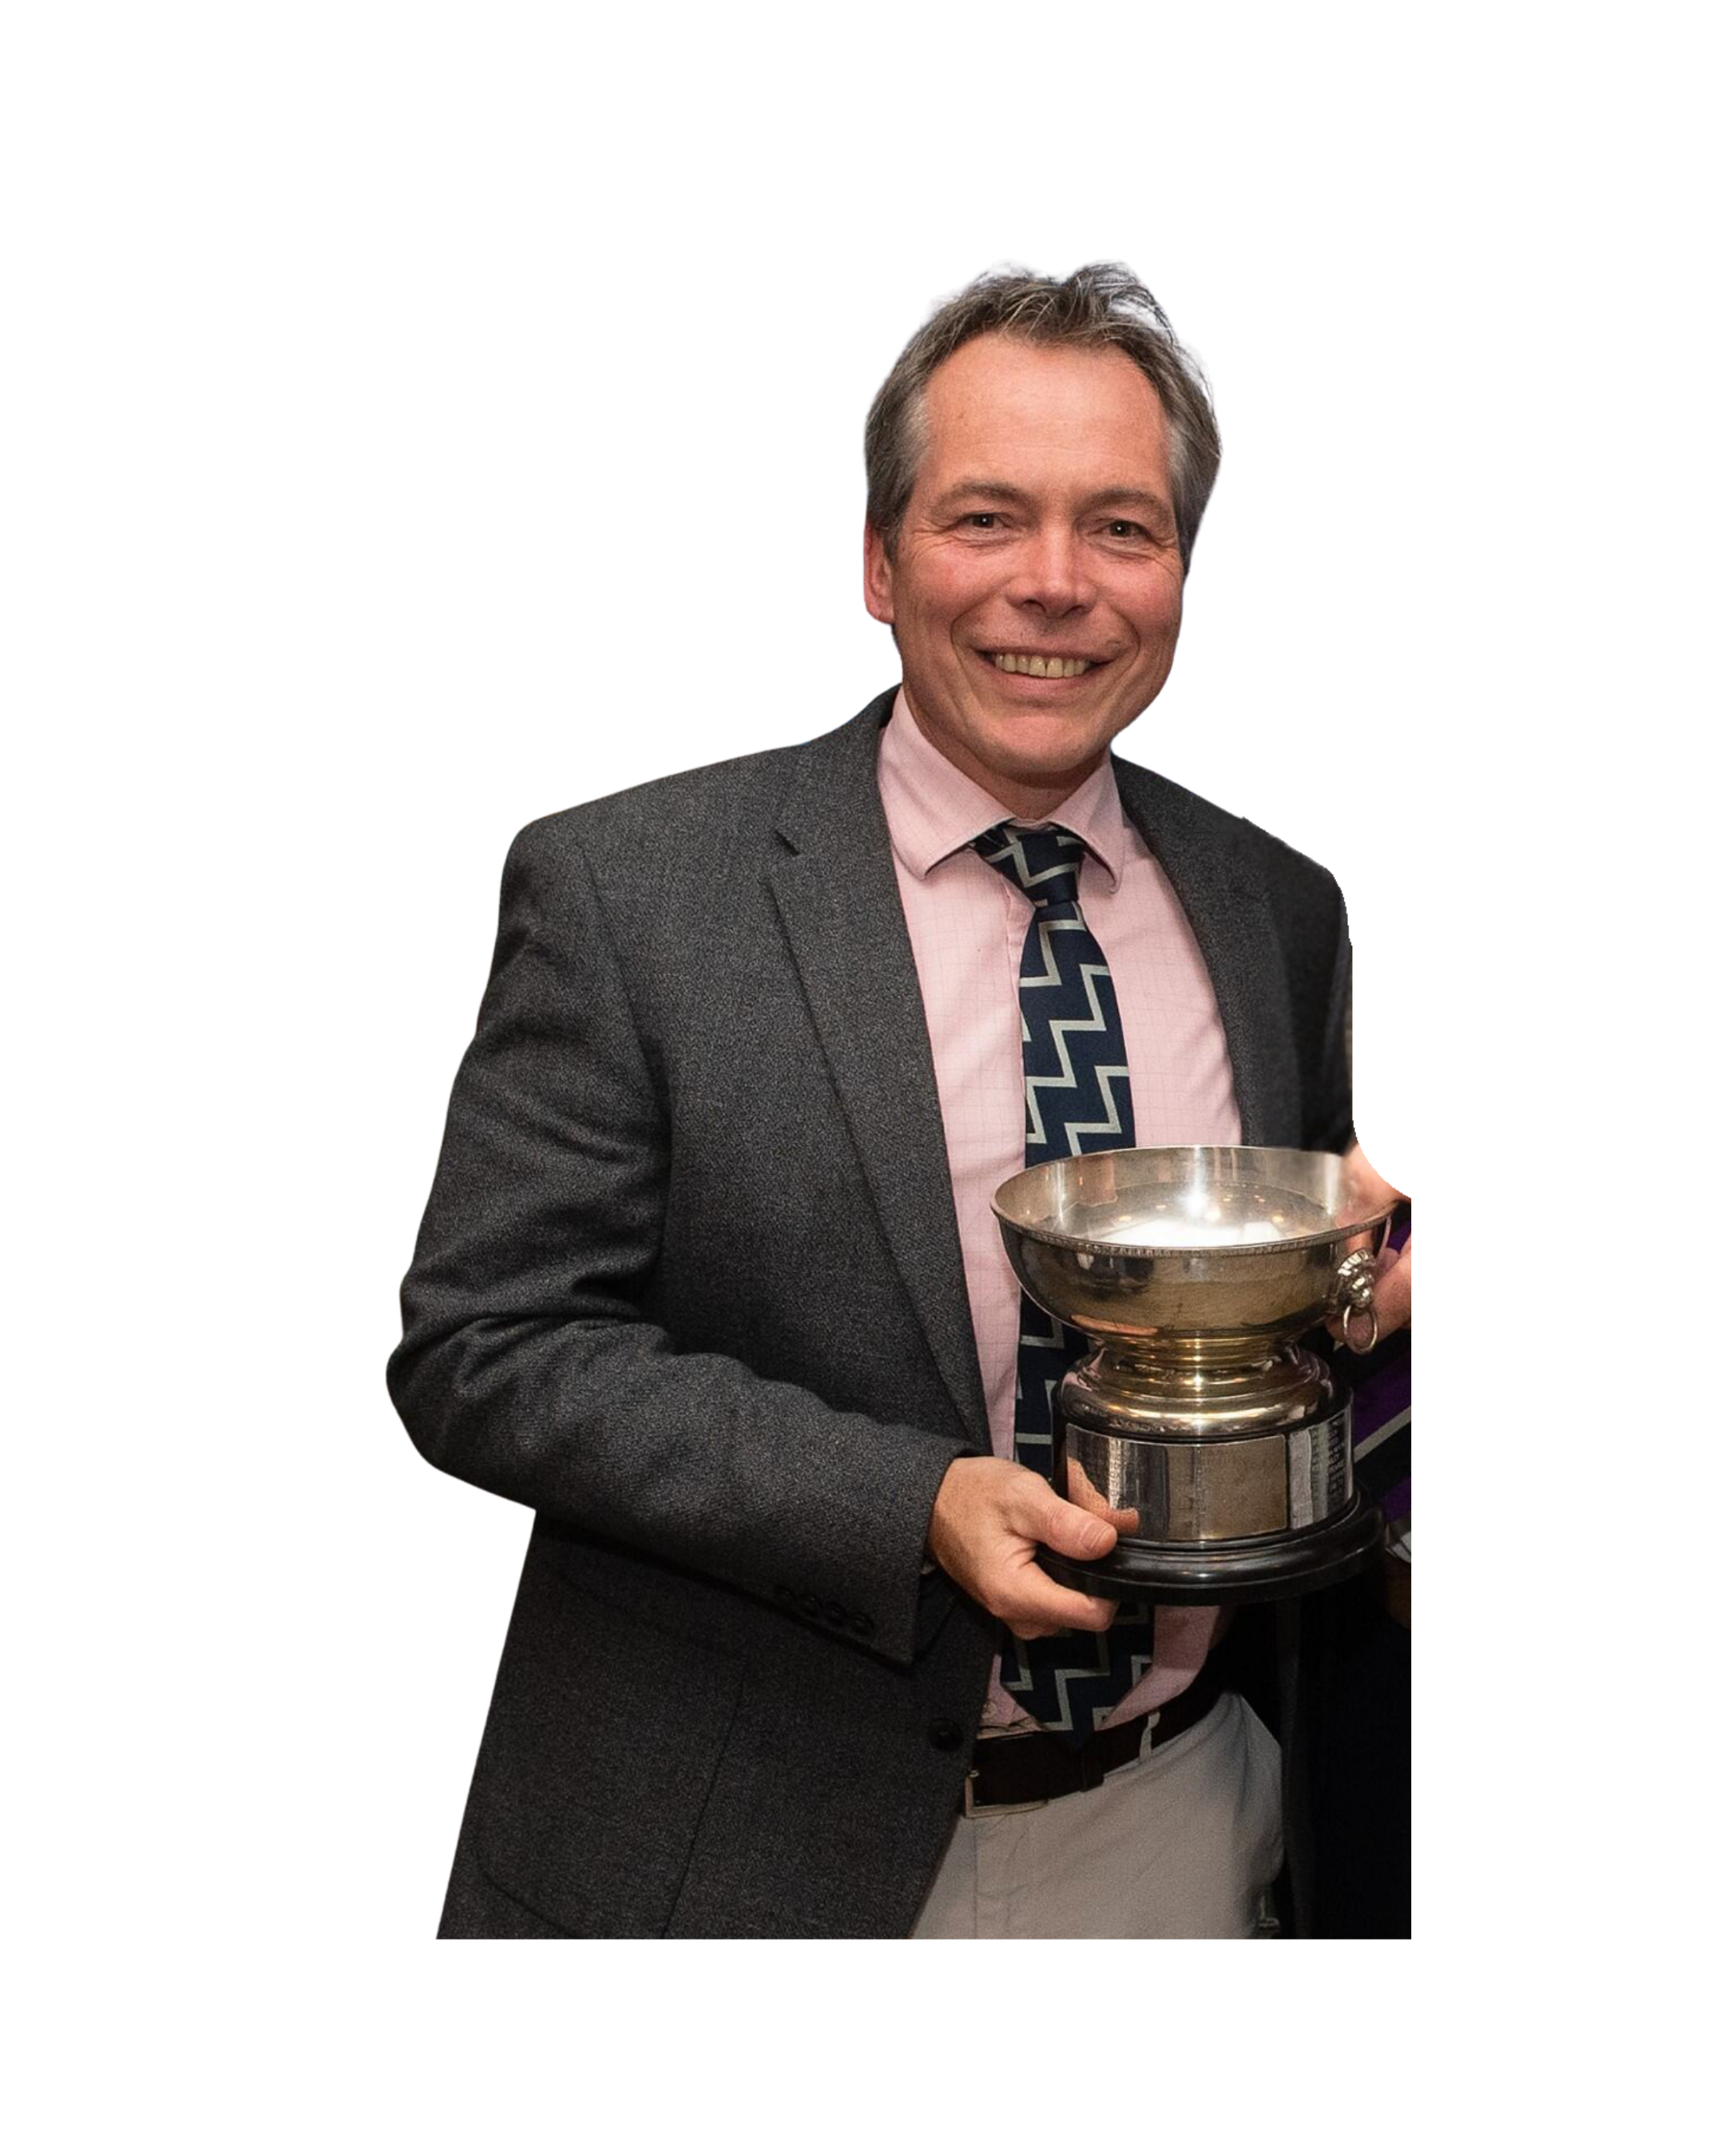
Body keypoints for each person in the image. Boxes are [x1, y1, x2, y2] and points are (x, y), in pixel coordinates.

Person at [387, 258, 1378, 1940]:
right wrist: (906, 1506)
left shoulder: (1281, 906)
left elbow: (1303, 1309)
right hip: (734, 1852)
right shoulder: (632, 889)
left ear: (1181, 574)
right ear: (877, 560)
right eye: (987, 517)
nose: (1055, 583)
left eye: (1121, 528)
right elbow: (481, 1347)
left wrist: (1366, 1290)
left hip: (1183, 1822)